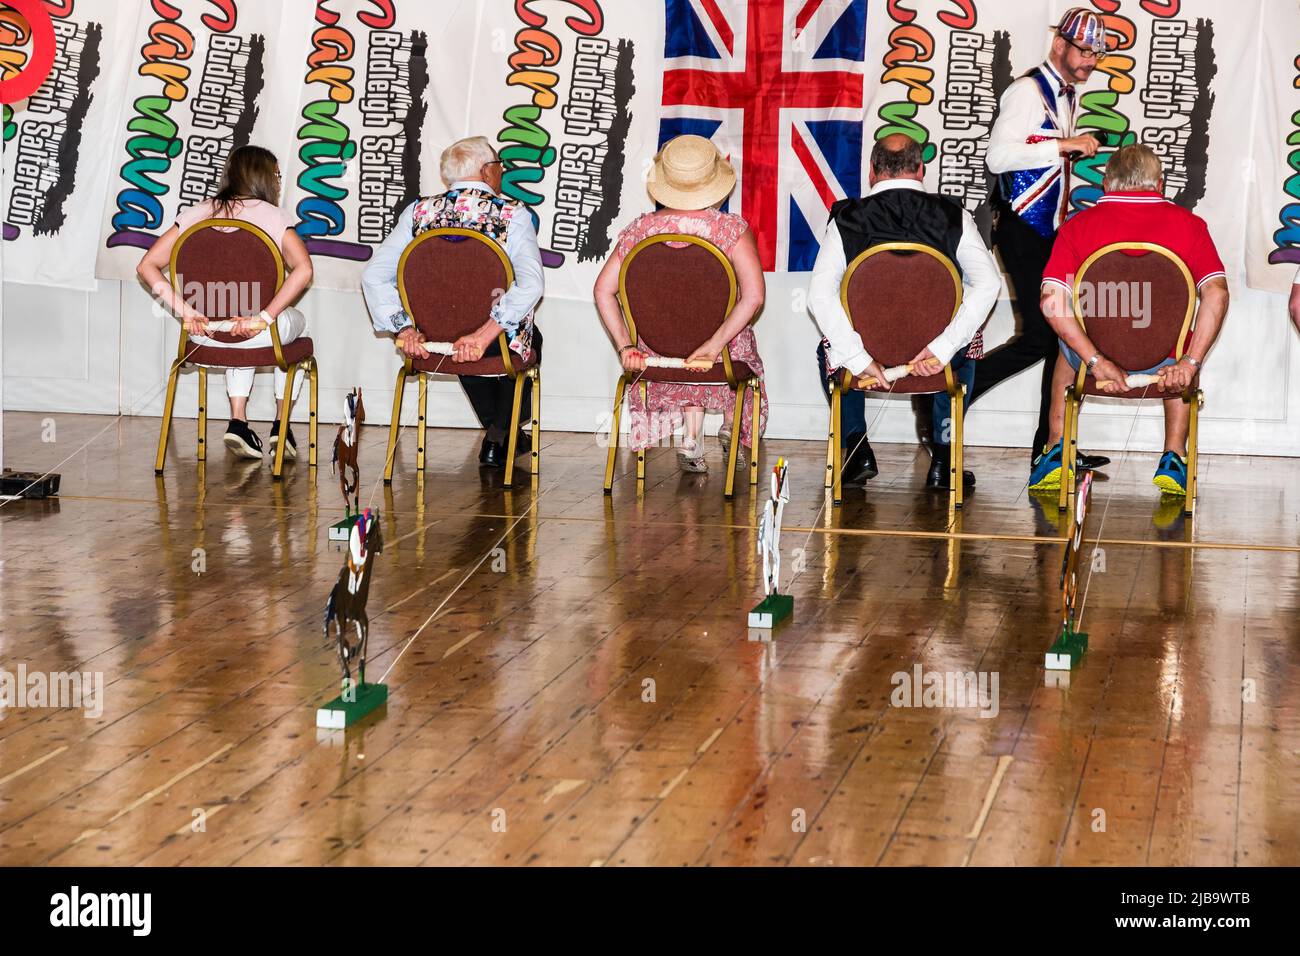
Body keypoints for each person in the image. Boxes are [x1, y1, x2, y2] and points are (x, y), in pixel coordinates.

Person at [807, 133, 1000, 490]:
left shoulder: (847, 219)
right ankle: (944, 459)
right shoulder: (953, 215)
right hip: (936, 356)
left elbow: (819, 296)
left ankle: (856, 449)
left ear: (872, 171)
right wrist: (943, 348)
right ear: (921, 168)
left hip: (871, 352)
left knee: (830, 347)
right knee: (968, 340)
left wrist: (858, 357)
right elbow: (989, 284)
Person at [1034, 144, 1229, 495]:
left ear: (1106, 184)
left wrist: (1095, 359)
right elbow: (1216, 293)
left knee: (1065, 342)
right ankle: (1174, 456)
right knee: (1181, 340)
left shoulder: (1077, 227)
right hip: (1166, 362)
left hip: (1093, 360)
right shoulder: (1191, 226)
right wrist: (1190, 361)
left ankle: (1057, 447)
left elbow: (1051, 301)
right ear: (1160, 183)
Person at [978, 6, 1113, 481]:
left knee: (1059, 339)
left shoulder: (1066, 92)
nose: (1090, 61)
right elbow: (998, 157)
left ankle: (1051, 448)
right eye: (1084, 50)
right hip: (1019, 224)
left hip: (1046, 227)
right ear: (1059, 44)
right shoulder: (1026, 91)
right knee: (1041, 336)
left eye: (1097, 53)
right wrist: (1064, 145)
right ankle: (953, 397)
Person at [362, 136, 544, 469]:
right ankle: (500, 435)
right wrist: (483, 335)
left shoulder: (417, 212)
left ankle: (500, 434)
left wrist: (404, 329)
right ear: (488, 171)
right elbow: (532, 284)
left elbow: (373, 275)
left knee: (457, 335)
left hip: (436, 341)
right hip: (492, 343)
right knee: (528, 340)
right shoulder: (512, 214)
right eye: (499, 165)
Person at [593, 134, 767, 473]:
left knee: (681, 328)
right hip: (723, 356)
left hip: (656, 356)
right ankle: (732, 425)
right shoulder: (730, 230)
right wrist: (712, 347)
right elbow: (755, 297)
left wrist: (626, 345)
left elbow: (602, 290)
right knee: (731, 337)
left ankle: (691, 438)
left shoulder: (640, 230)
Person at [137, 146, 313, 460]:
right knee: (294, 327)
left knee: (235, 327)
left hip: (202, 332)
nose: (278, 182)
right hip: (257, 333)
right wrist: (264, 317)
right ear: (263, 178)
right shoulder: (274, 217)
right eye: (276, 176)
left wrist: (186, 312)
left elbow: (145, 266)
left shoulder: (195, 214)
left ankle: (238, 421)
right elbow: (304, 270)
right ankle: (281, 426)